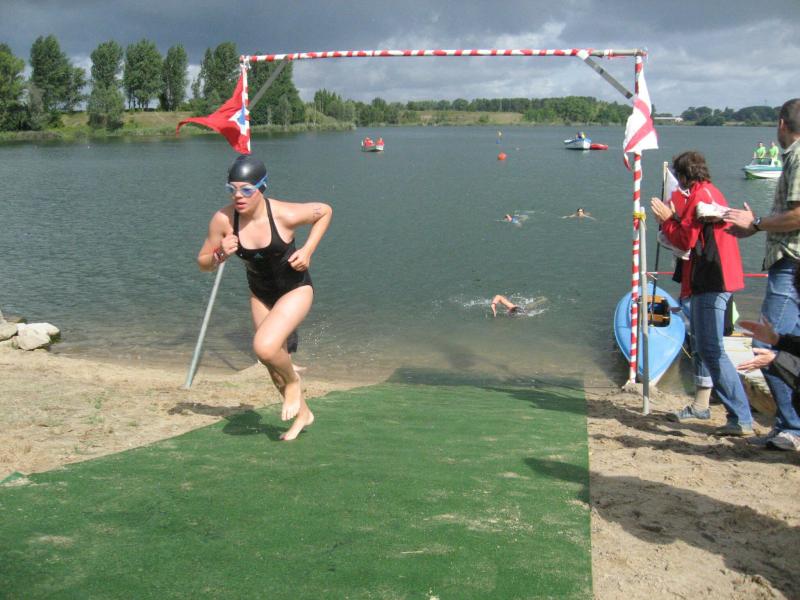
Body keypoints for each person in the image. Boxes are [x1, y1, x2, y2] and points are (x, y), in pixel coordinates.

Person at [197, 154, 332, 441]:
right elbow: (203, 263)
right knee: (272, 367)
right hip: (260, 294)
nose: (238, 196)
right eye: (232, 189)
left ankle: (294, 382)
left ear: (262, 187)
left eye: (246, 190)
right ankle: (303, 414)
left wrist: (308, 250)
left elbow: (325, 212)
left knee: (264, 347)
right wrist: (220, 253)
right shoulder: (224, 220)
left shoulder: (284, 214)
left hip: (295, 289)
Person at [650, 150, 754, 436]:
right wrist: (674, 218)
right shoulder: (709, 192)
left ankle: (741, 417)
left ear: (684, 176)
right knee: (702, 346)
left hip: (713, 279)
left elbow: (686, 239)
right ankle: (703, 406)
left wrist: (668, 219)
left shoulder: (701, 196)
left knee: (711, 349)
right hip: (710, 278)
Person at [724, 98, 800, 449]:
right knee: (790, 344)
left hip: (791, 262)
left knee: (765, 343)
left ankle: (791, 428)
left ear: (782, 123)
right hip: (789, 262)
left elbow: (798, 215)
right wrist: (755, 227)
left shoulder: (797, 156)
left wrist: (755, 223)